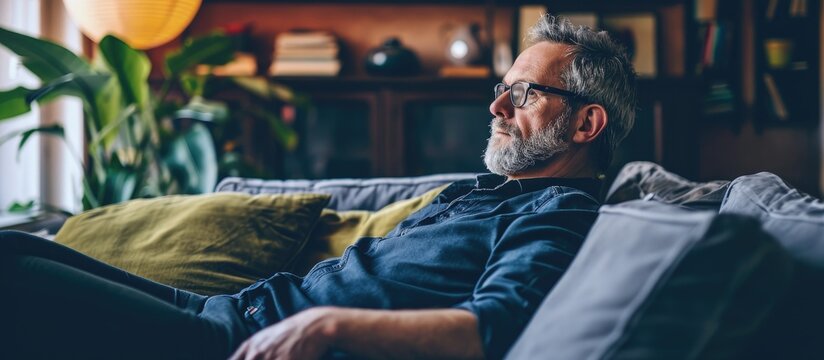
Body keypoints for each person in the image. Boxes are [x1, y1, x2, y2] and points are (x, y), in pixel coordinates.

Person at [0, 15, 636, 360]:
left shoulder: (562, 214)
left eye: (523, 93)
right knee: (14, 251)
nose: (497, 105)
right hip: (228, 306)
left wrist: (330, 327)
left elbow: (492, 328)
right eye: (501, 87)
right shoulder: (480, 193)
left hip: (240, 343)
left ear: (587, 122)